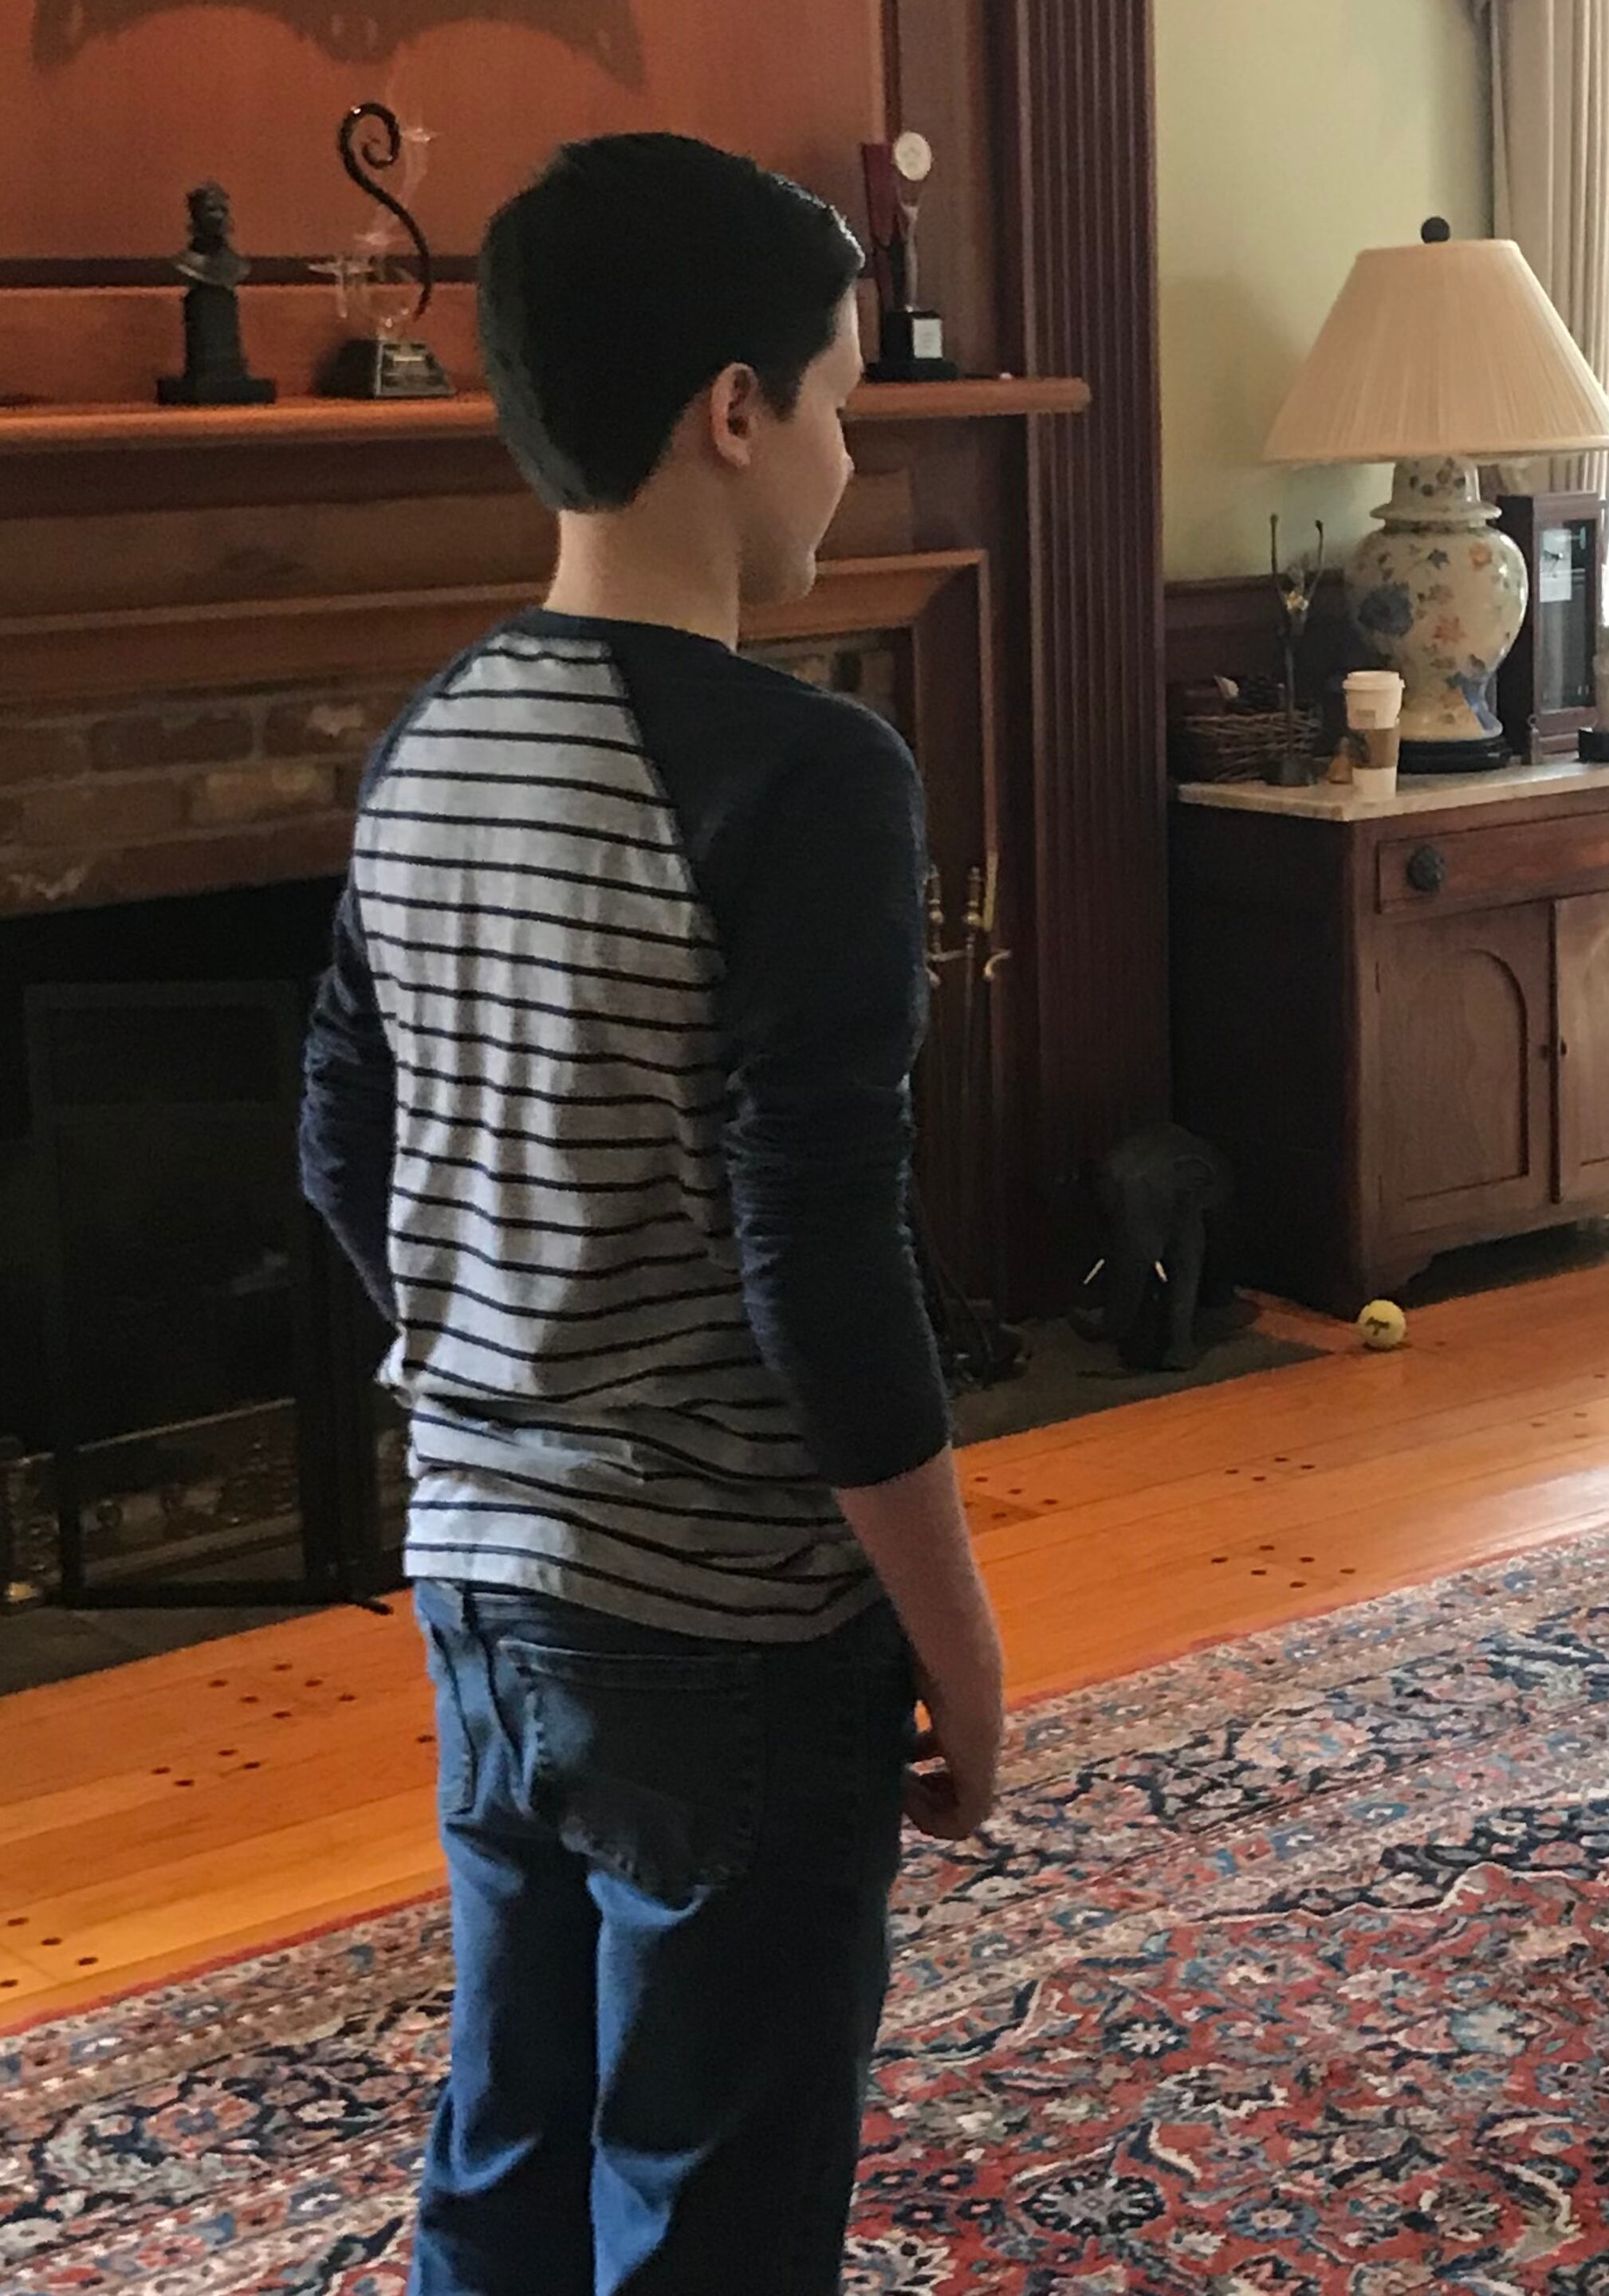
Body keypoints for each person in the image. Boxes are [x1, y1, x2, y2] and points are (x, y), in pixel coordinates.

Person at [297, 133, 1005, 2293]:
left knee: (507, 2144)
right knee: (716, 2198)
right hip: (729, 1635)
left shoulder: (430, 741)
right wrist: (961, 1651)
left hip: (481, 1582)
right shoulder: (810, 777)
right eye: (842, 398)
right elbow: (820, 1254)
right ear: (731, 411)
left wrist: (519, 1367)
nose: (847, 457)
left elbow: (343, 1141)